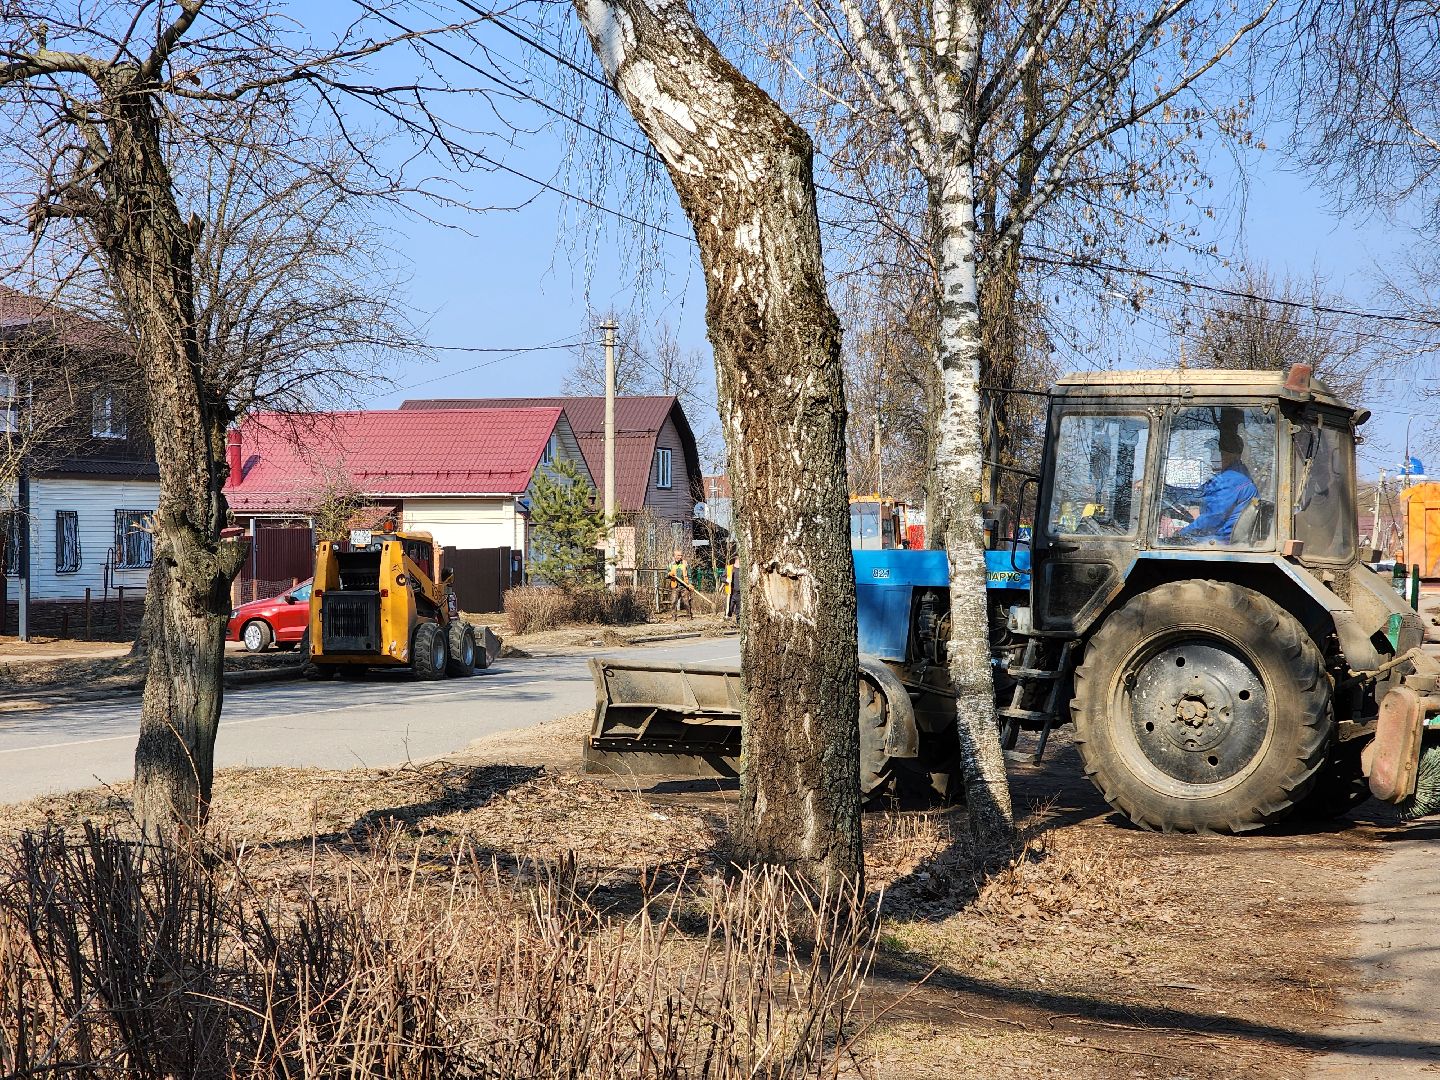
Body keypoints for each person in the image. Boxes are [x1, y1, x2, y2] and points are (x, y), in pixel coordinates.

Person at [1174, 431, 1257, 543]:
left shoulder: (1229, 480)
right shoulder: (1236, 475)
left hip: (1222, 539)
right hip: (1225, 536)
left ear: (1231, 455)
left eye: (1216, 452)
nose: (1212, 457)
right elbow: (1198, 493)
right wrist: (1167, 491)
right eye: (1212, 452)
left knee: (1171, 542)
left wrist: (1181, 533)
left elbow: (1213, 518)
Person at [666, 547, 692, 620]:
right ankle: (674, 617)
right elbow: (666, 575)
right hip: (675, 586)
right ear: (674, 556)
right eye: (678, 555)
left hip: (684, 586)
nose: (679, 557)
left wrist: (690, 584)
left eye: (681, 555)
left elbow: (689, 575)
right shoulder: (670, 565)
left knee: (686, 602)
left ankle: (689, 616)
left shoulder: (685, 564)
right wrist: (669, 574)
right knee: (673, 602)